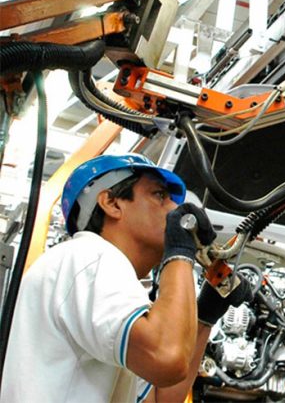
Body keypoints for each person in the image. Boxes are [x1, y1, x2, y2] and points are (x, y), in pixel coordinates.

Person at [0, 153, 250, 402]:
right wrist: (180, 252)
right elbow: (167, 357)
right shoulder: (90, 257)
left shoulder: (102, 278)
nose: (174, 208)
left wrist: (205, 314)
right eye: (159, 195)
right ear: (111, 203)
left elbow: (161, 397)